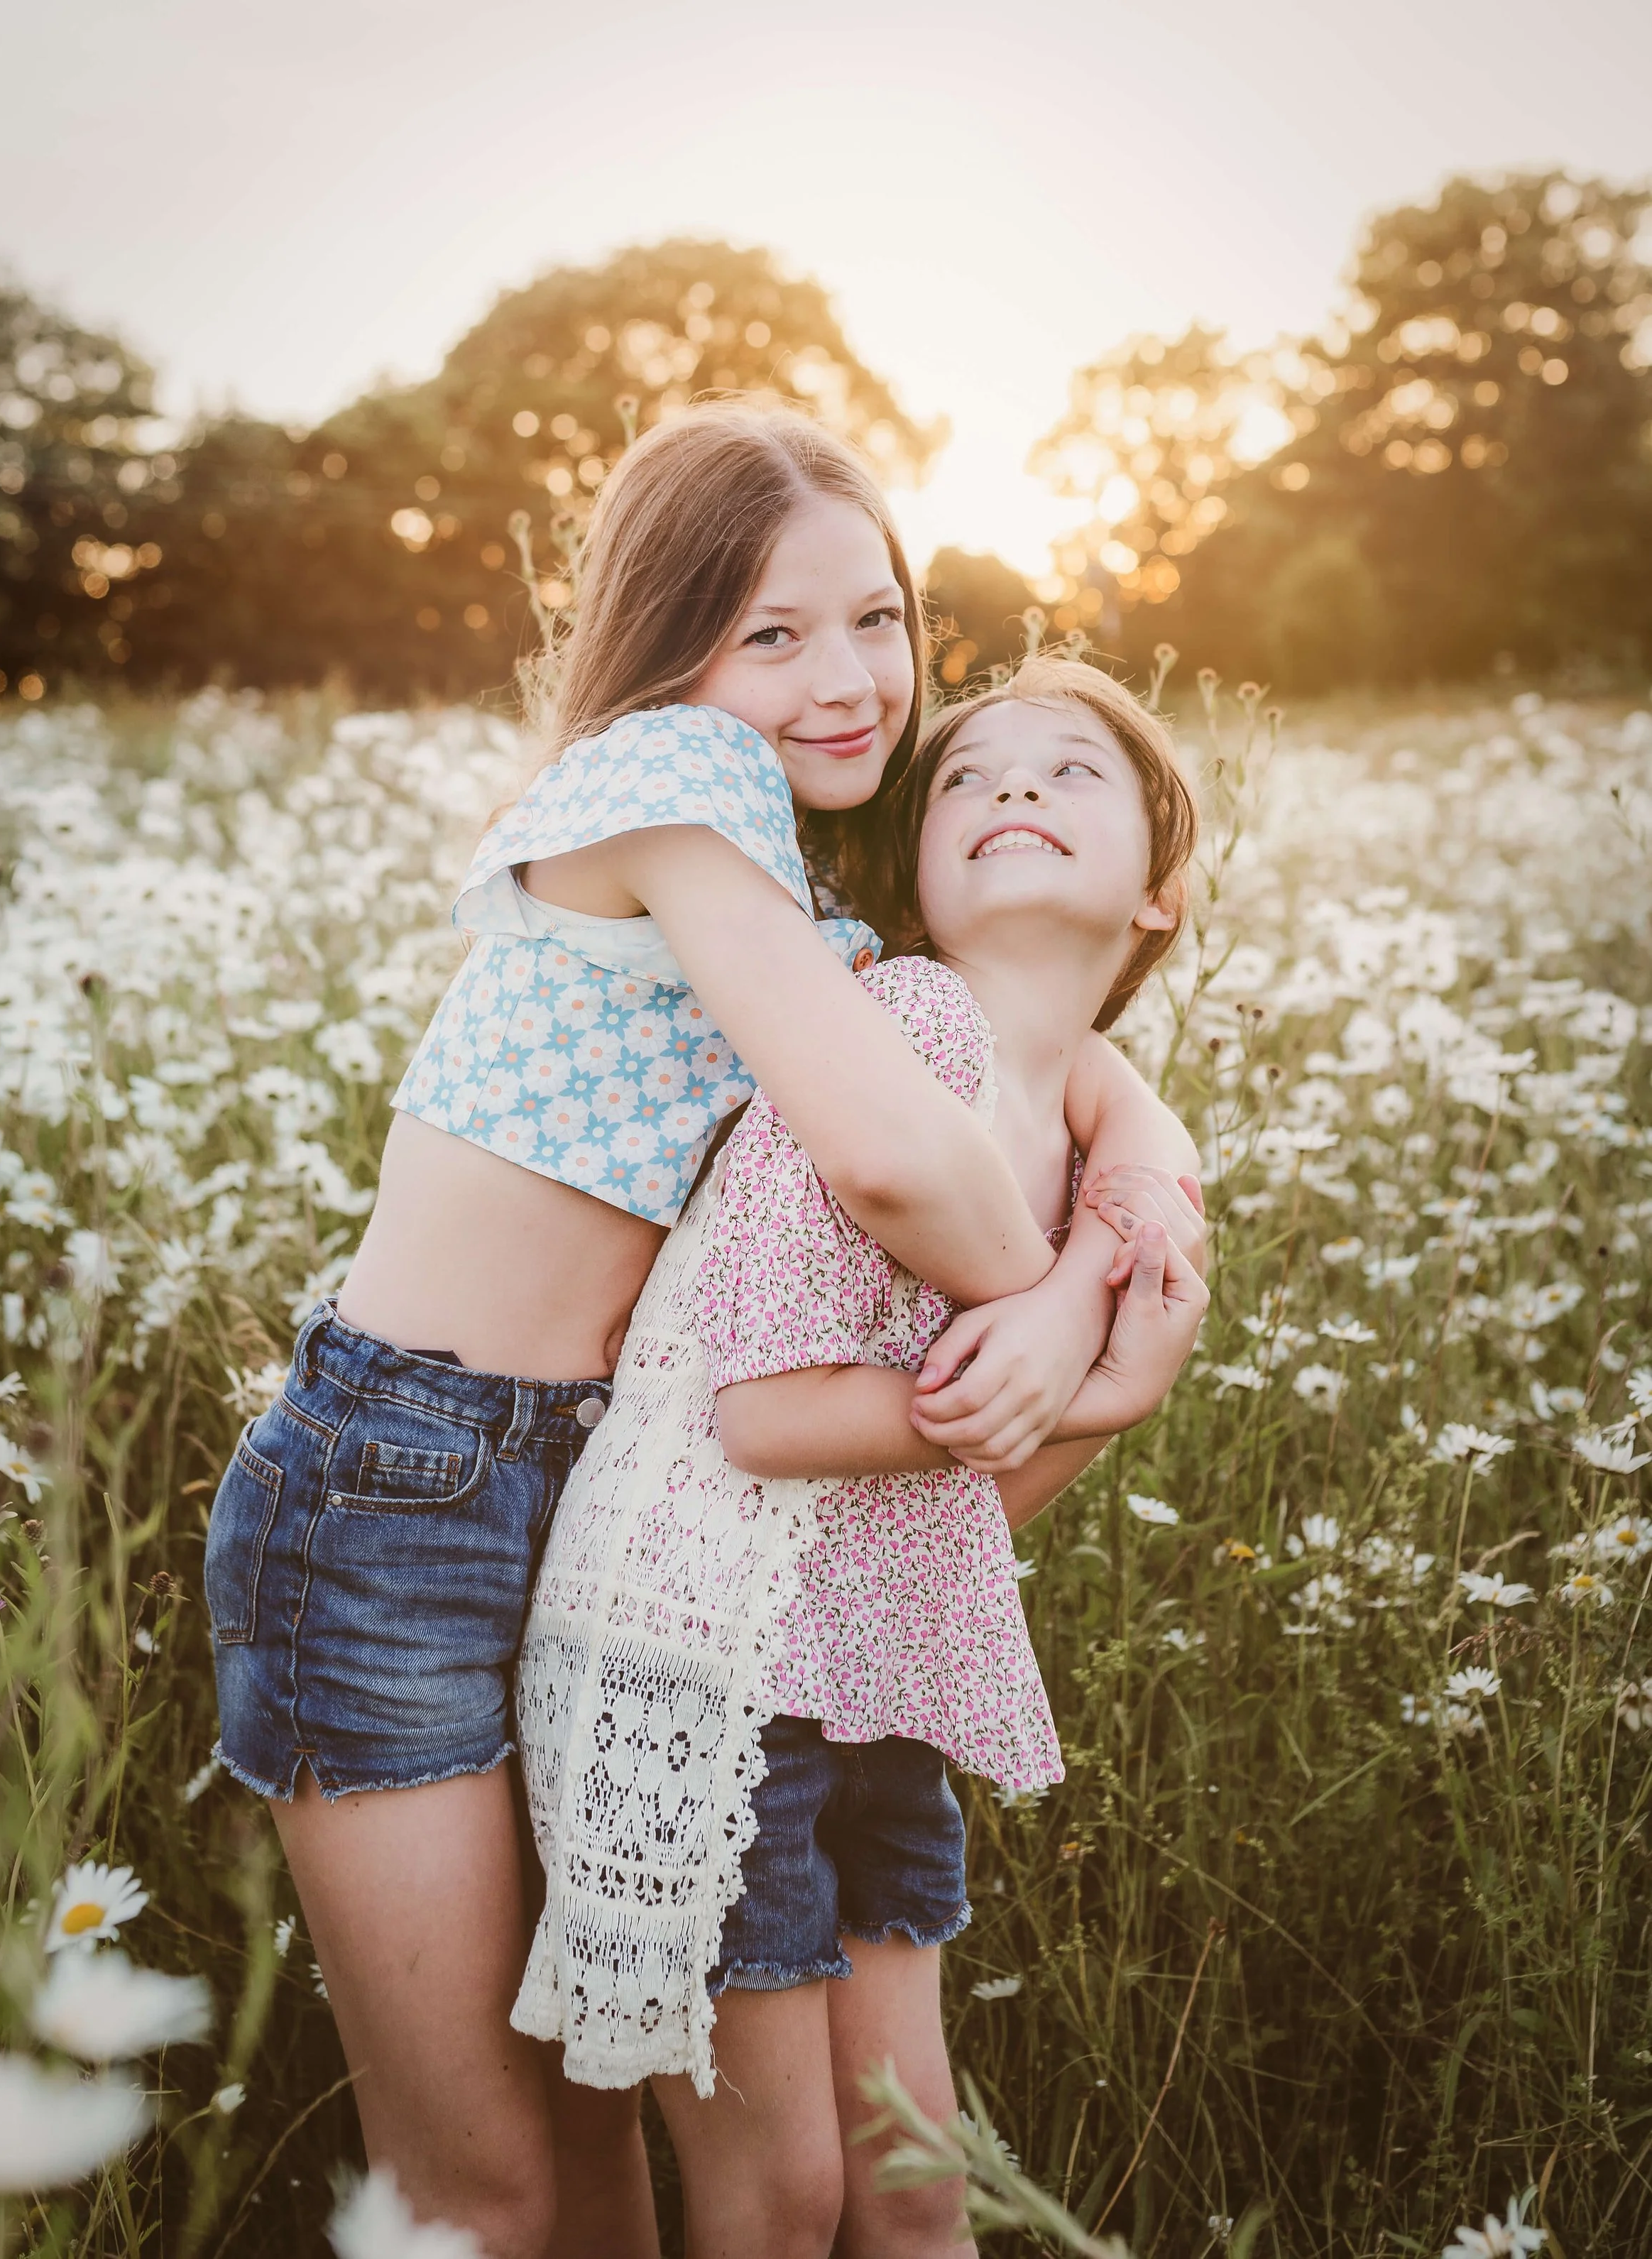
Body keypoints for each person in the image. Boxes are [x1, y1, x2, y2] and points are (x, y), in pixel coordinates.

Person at [202, 400, 1191, 2259]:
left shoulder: (786, 890)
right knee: (487, 2188)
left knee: (603, 2174)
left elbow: (1022, 1038)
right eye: (774, 632)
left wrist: (1121, 1180)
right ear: (669, 647)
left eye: (879, 618)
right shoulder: (665, 782)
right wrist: (1057, 1307)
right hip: (394, 1497)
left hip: (592, 1496)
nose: (851, 676)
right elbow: (900, 1152)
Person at [515, 656, 1207, 2259]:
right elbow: (762, 1420)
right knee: (784, 2197)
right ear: (907, 862)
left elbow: (947, 1518)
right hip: (700, 1668)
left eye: (1066, 774)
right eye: (967, 779)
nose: (1013, 793)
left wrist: (1106, 1268)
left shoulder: (1091, 1106)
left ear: (1159, 898)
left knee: (914, 2187)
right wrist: (1091, 1386)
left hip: (866, 1679)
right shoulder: (898, 1029)